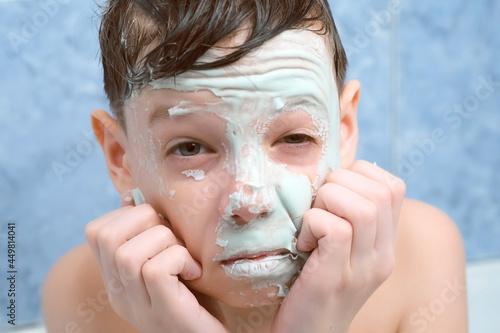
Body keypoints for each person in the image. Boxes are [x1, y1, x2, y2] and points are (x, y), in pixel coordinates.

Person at [42, 0, 468, 332]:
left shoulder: (421, 253)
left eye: (295, 139)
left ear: (345, 130)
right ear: (122, 158)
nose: (250, 200)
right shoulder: (81, 295)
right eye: (190, 148)